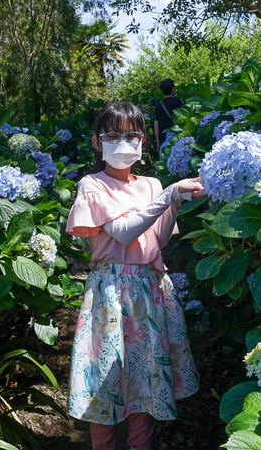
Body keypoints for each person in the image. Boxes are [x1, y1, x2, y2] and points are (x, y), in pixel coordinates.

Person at [65, 101, 203, 450]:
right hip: (110, 292)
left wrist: (174, 204)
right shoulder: (92, 185)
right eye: (113, 135)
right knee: (106, 380)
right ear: (98, 143)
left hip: (148, 288)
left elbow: (156, 239)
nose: (123, 143)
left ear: (143, 141)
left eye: (131, 135)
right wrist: (170, 194)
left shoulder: (151, 185)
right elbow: (124, 232)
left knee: (146, 381)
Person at [153, 79, 183, 150]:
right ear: (173, 89)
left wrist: (158, 141)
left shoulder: (158, 105)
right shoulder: (179, 103)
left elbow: (156, 124)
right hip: (177, 138)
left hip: (163, 140)